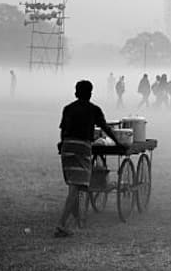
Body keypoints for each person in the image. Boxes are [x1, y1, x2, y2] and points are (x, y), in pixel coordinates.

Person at [56, 80, 119, 238]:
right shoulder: (94, 109)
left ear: (76, 92)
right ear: (90, 93)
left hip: (66, 148)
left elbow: (63, 131)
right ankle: (61, 224)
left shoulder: (68, 108)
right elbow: (105, 128)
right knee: (75, 188)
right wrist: (118, 143)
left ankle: (76, 219)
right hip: (82, 148)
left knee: (74, 185)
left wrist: (62, 145)